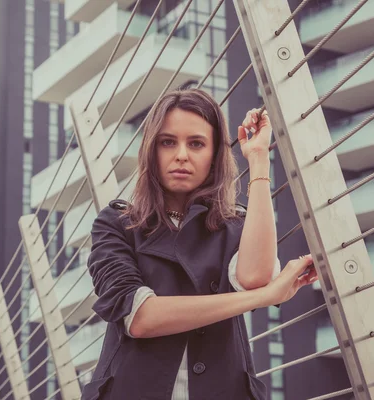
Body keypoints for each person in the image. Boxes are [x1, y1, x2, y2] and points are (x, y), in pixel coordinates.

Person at [82, 88, 317, 400]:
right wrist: (263, 298)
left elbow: (255, 278)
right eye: (168, 142)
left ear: (214, 154)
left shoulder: (233, 225)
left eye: (196, 143)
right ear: (151, 150)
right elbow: (141, 318)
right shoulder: (117, 224)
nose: (181, 155)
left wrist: (259, 159)